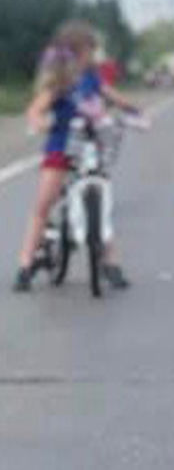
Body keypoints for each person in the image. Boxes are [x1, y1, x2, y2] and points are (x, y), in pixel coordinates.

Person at [13, 21, 139, 292]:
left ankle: (110, 262)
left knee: (100, 202)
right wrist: (39, 123)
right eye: (88, 49)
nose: (92, 55)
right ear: (76, 50)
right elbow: (37, 109)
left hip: (89, 145)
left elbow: (110, 95)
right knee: (44, 203)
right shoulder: (60, 81)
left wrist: (130, 108)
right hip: (61, 146)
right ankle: (25, 264)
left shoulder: (92, 78)